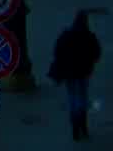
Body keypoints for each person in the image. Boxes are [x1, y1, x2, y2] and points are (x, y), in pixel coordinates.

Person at [47, 10, 102, 140]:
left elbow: (57, 51)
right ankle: (83, 124)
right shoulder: (89, 36)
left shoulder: (66, 35)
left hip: (70, 73)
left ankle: (75, 125)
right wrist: (90, 61)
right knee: (82, 96)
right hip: (83, 72)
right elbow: (96, 52)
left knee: (72, 97)